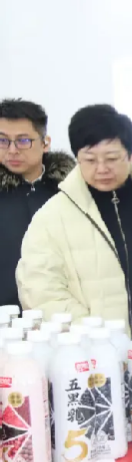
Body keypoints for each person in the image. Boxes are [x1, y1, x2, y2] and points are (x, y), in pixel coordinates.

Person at [17, 104, 132, 380]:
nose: (102, 169)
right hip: (92, 364)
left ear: (130, 155)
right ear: (77, 158)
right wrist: (93, 335)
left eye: (112, 158)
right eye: (90, 160)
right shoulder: (52, 217)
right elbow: (40, 291)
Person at [0, 99, 75, 309]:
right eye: (3, 140)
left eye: (23, 141)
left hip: (62, 310)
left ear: (45, 143)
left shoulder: (70, 191)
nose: (12, 150)